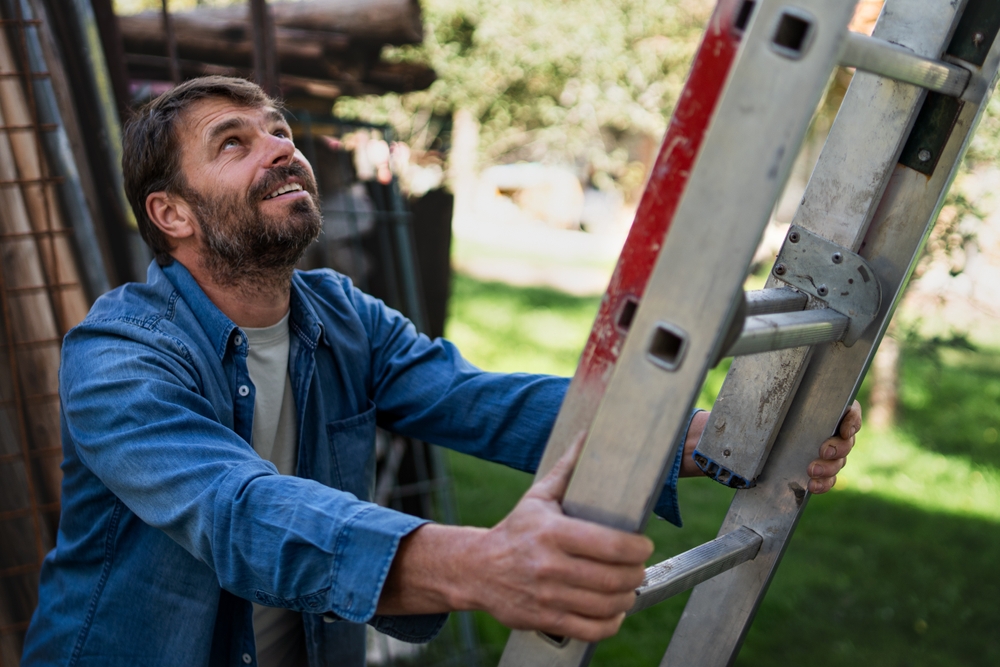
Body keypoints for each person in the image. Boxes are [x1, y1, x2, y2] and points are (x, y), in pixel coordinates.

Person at [21, 76, 861, 667]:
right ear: (171, 213)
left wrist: (706, 439)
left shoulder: (338, 312)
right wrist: (479, 563)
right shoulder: (120, 355)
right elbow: (235, 511)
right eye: (233, 143)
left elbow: (479, 402)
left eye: (276, 128)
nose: (278, 148)